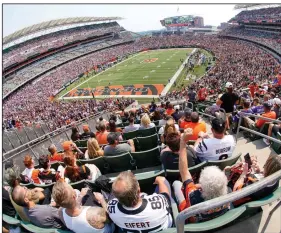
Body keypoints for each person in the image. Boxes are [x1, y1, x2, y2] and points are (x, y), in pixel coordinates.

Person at [173, 130, 229, 222]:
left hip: (191, 217)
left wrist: (183, 142)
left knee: (176, 183)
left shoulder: (193, 196)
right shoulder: (229, 196)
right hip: (217, 219)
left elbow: (184, 171)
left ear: (202, 189)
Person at [103, 171, 173, 232]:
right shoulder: (158, 203)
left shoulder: (111, 209)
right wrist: (160, 181)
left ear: (117, 197)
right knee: (164, 182)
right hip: (164, 229)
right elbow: (166, 196)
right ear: (139, 190)